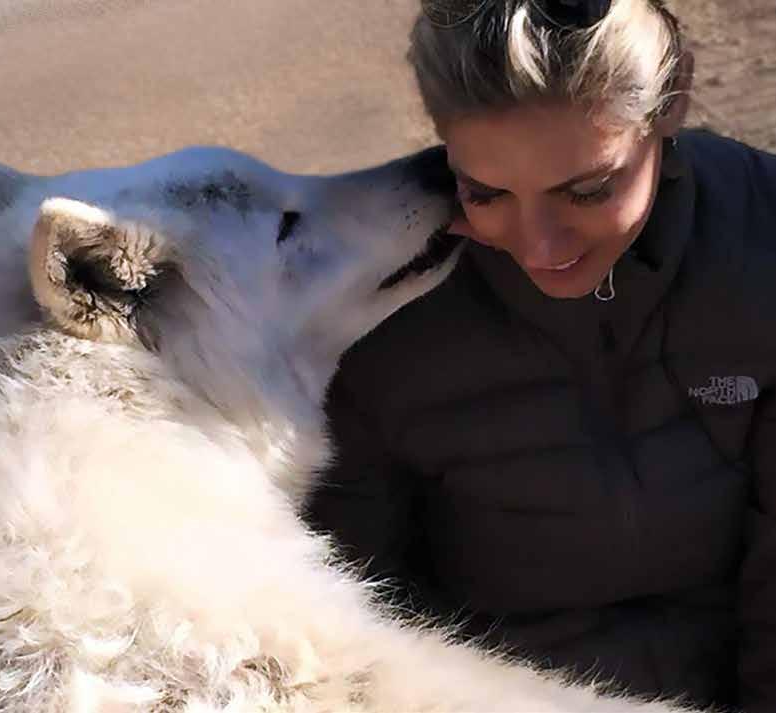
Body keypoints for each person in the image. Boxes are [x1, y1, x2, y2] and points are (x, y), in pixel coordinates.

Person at [305, 1, 776, 710]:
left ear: (672, 101)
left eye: (587, 190)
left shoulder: (762, 235)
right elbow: (351, 599)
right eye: (484, 193)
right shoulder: (377, 301)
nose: (539, 246)